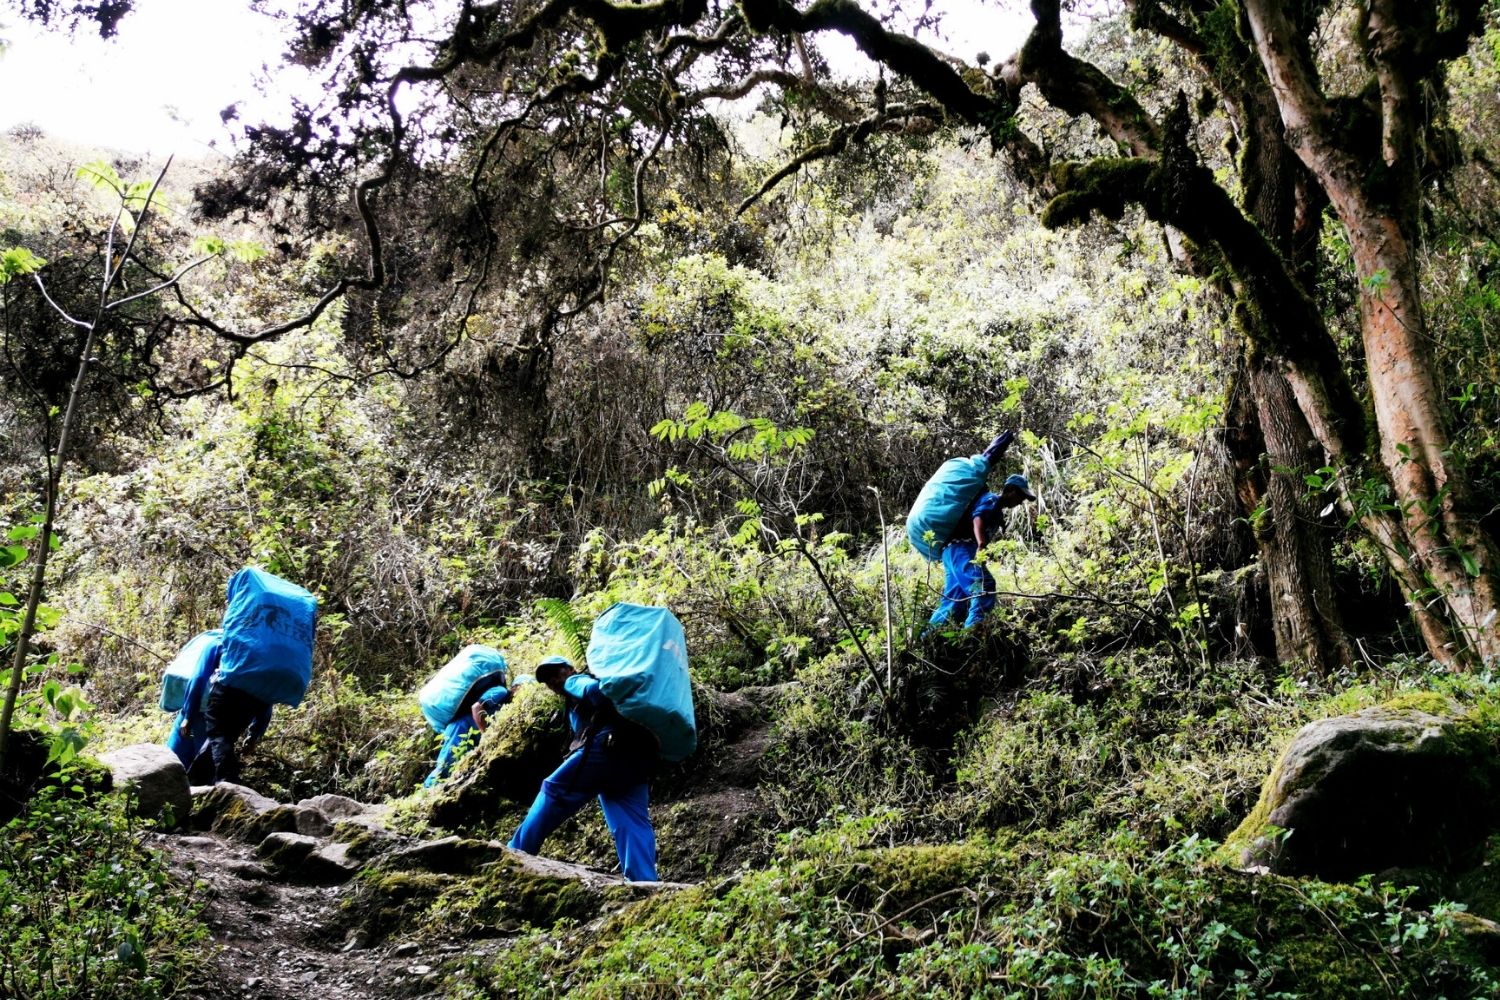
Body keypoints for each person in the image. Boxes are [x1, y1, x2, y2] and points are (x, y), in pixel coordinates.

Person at [508, 655, 660, 882]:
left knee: (553, 790)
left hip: (606, 749)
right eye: (548, 680)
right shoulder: (573, 703)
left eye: (557, 672)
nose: (554, 681)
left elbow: (596, 692)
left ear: (570, 669)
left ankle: (515, 852)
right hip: (635, 757)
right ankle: (645, 882)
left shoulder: (577, 681)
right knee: (629, 819)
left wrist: (573, 683)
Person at [927, 432, 1037, 633]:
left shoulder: (994, 507)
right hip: (961, 547)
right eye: (1020, 496)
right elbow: (978, 519)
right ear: (1010, 490)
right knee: (984, 583)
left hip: (951, 551)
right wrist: (981, 544)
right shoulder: (991, 500)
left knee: (956, 598)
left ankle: (929, 637)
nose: (1020, 502)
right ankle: (974, 630)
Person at [422, 677, 515, 788]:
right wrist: (487, 736)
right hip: (459, 729)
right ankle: (424, 794)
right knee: (445, 768)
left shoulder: (508, 709)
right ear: (514, 687)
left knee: (457, 771)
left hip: (471, 738)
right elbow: (476, 707)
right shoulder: (501, 691)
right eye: (522, 688)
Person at [201, 674, 275, 785]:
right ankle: (199, 781)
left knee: (217, 736)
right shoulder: (267, 669)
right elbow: (266, 705)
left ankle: (226, 779)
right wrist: (254, 736)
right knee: (222, 740)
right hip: (252, 702)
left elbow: (200, 673)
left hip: (225, 689)